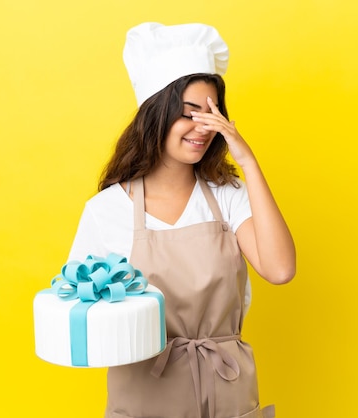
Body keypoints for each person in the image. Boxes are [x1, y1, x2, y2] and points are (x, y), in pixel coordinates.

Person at [68, 22, 296, 418]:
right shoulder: (108, 210)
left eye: (213, 114)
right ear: (156, 115)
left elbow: (279, 269)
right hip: (145, 392)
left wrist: (247, 161)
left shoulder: (228, 196)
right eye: (189, 114)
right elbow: (84, 318)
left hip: (227, 389)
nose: (203, 128)